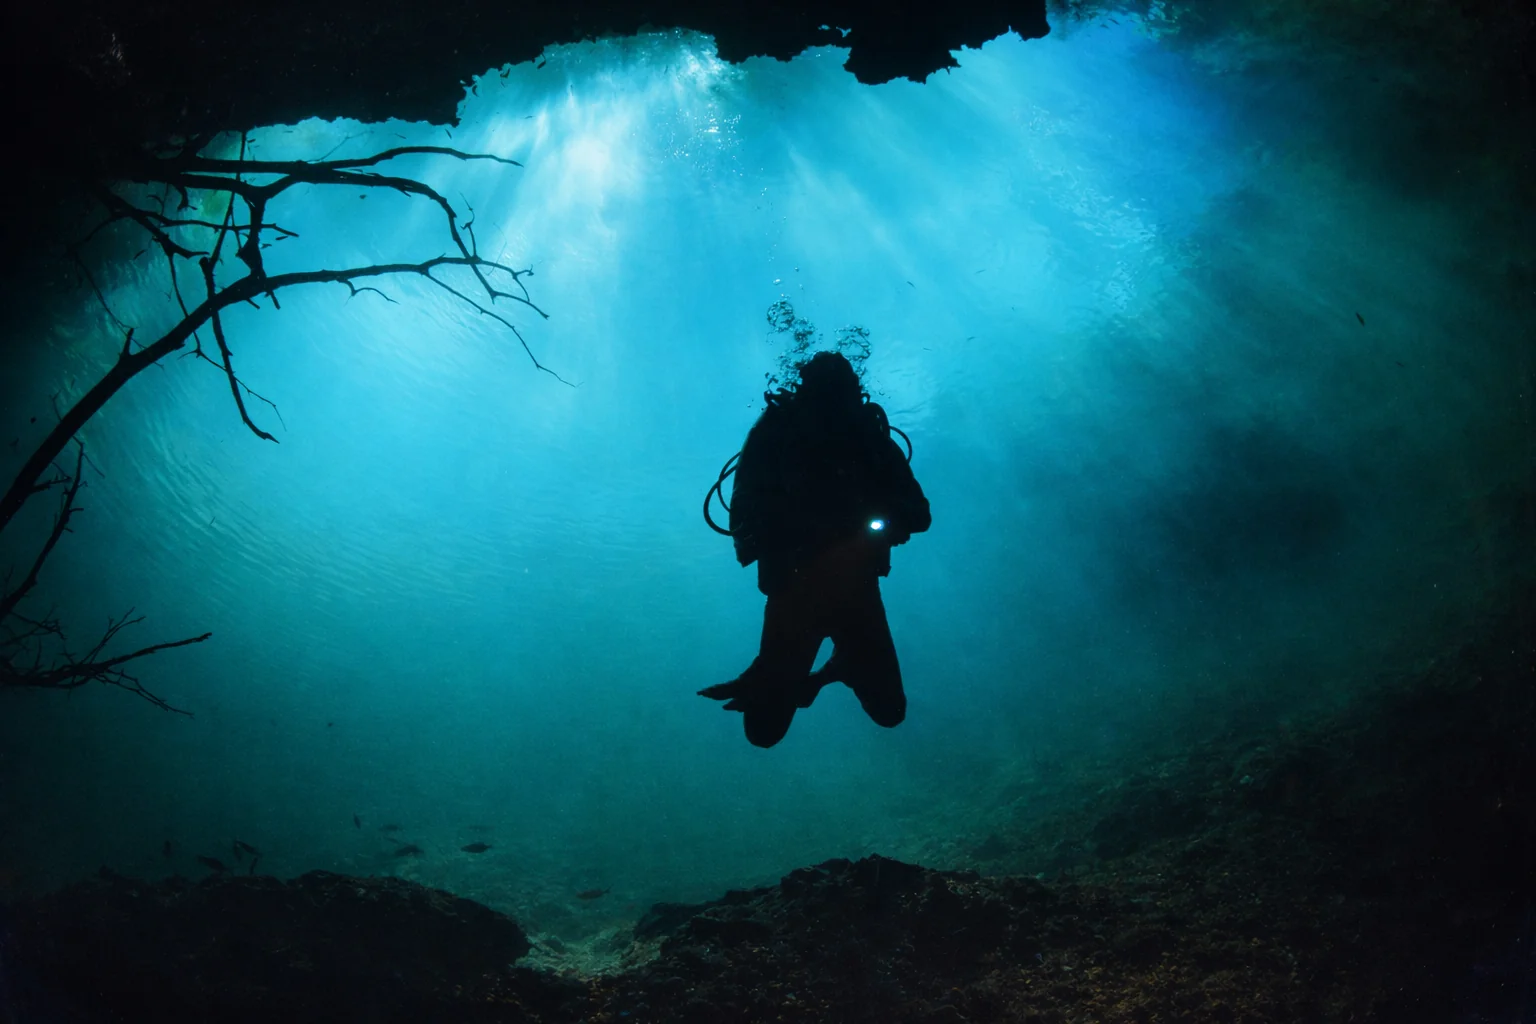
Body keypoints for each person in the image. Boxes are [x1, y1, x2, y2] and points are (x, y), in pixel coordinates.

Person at [699, 351, 931, 747]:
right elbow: (744, 517)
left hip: (852, 589)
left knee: (889, 712)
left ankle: (837, 667)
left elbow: (919, 514)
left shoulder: (869, 437)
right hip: (795, 593)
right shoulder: (776, 435)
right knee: (763, 732)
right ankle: (839, 665)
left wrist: (885, 524)